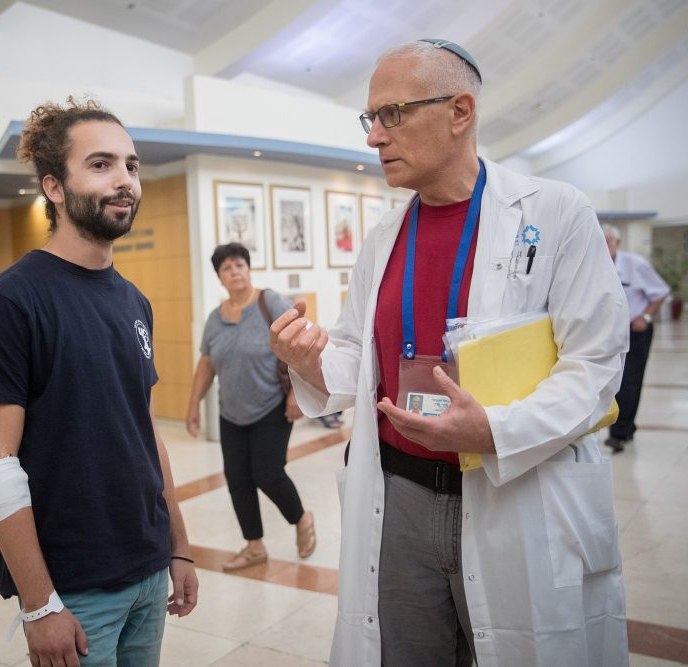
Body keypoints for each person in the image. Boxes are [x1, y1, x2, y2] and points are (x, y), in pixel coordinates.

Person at [270, 40, 629, 666]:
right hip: (399, 493)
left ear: (459, 111)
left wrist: (493, 429)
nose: (375, 137)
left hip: (510, 485)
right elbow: (359, 356)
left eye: (393, 114)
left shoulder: (555, 213)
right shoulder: (385, 237)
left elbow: (595, 364)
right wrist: (307, 357)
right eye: (371, 119)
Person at [0, 97, 198, 667]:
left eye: (131, 165)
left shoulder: (133, 299)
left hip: (146, 567)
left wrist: (179, 546)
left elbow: (143, 430)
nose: (124, 181)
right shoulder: (12, 302)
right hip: (74, 588)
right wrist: (40, 605)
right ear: (54, 187)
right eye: (101, 164)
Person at [185, 242, 315, 571]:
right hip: (231, 412)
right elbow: (206, 364)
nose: (235, 272)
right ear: (220, 277)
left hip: (272, 406)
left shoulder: (268, 301)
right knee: (238, 479)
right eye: (227, 268)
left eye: (239, 265)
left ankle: (301, 518)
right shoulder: (215, 319)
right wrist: (193, 405)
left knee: (268, 474)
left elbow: (299, 342)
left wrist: (296, 393)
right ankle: (254, 545)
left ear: (248, 269)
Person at [603, 223, 670, 453]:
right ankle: (628, 426)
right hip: (608, 332)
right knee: (612, 381)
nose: (603, 246)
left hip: (635, 330)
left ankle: (618, 434)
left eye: (607, 241)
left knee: (629, 382)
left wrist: (647, 318)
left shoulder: (635, 265)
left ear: (618, 243)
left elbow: (661, 292)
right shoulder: (594, 266)